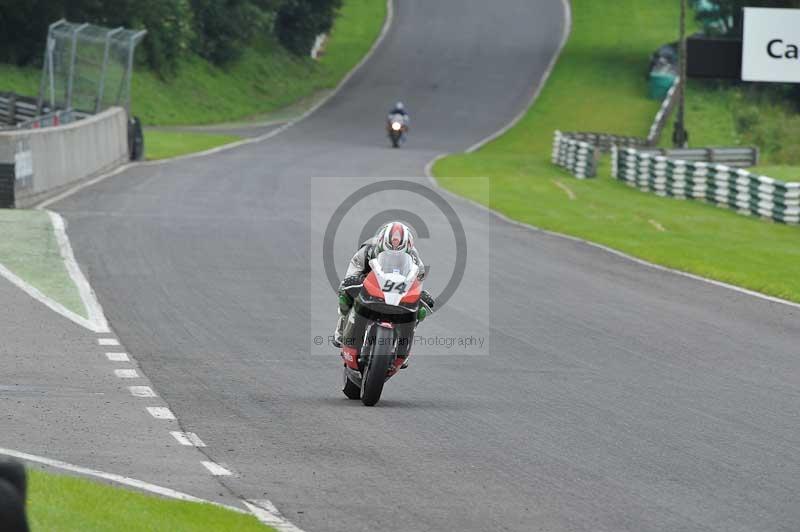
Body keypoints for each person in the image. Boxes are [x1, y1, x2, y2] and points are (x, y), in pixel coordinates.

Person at [332, 222, 434, 366]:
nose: (394, 254)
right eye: (389, 250)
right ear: (381, 244)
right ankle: (341, 329)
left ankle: (403, 346)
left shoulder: (417, 261)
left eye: (399, 254)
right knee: (345, 293)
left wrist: (419, 295)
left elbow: (417, 282)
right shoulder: (367, 251)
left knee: (419, 310)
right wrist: (351, 281)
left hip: (398, 286)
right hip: (369, 278)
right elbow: (354, 269)